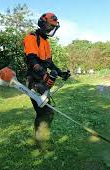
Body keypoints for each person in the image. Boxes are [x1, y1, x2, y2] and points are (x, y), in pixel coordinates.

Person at [23, 13, 70, 148]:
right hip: (34, 80)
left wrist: (61, 73)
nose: (50, 29)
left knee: (44, 112)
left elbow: (49, 63)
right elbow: (32, 60)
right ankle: (41, 142)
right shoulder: (31, 38)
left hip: (42, 81)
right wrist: (43, 74)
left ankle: (40, 141)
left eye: (53, 27)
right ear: (42, 24)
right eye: (50, 26)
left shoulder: (46, 42)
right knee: (46, 111)